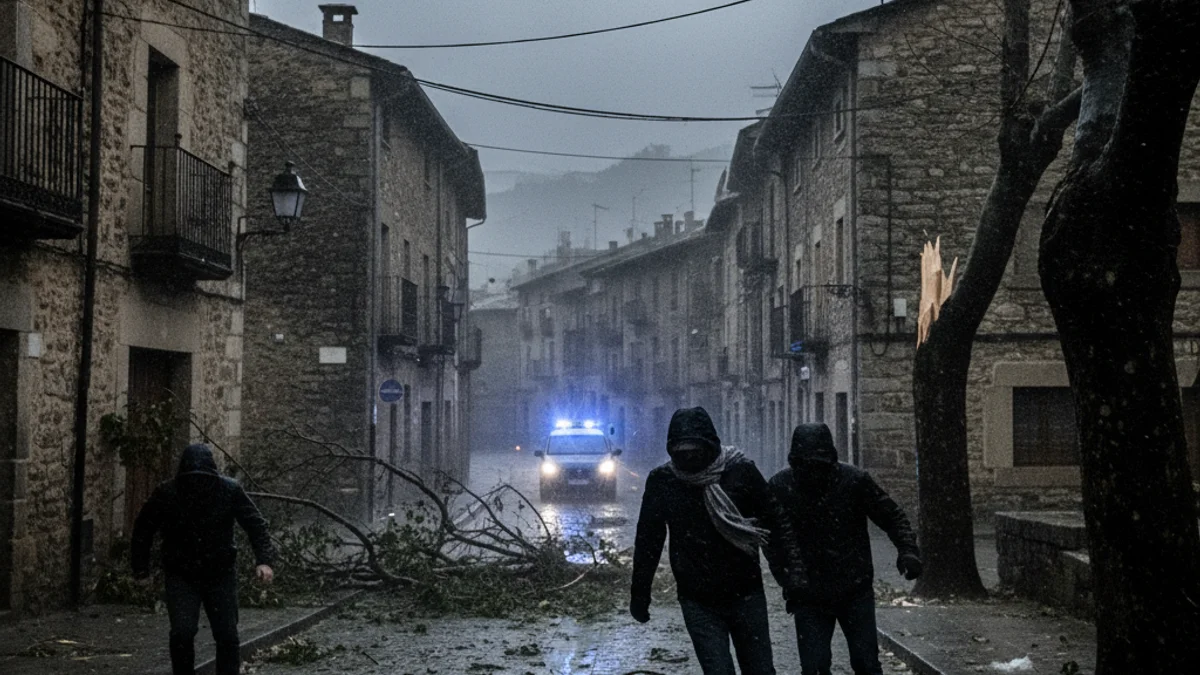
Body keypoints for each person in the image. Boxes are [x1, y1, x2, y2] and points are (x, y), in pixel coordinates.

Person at [630, 407, 807, 675]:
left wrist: (791, 578)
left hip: (745, 593)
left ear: (709, 445)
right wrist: (640, 593)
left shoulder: (741, 472)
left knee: (759, 669)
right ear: (672, 450)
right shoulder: (663, 481)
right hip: (697, 598)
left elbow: (775, 525)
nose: (689, 457)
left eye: (695, 450)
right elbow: (648, 541)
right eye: (682, 451)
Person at [768, 423, 921, 675]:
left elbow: (891, 515)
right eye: (807, 465)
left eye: (818, 465)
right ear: (796, 462)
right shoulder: (781, 486)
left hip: (853, 588)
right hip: (809, 592)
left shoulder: (853, 481)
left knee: (866, 664)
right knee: (815, 667)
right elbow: (771, 540)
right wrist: (787, 577)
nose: (813, 473)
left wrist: (907, 550)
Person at [131, 443, 276, 675]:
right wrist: (141, 570)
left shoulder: (229, 491)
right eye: (192, 479)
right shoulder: (167, 493)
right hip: (181, 573)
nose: (197, 485)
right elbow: (143, 530)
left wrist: (264, 560)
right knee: (182, 631)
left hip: (220, 572)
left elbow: (255, 524)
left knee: (227, 633)